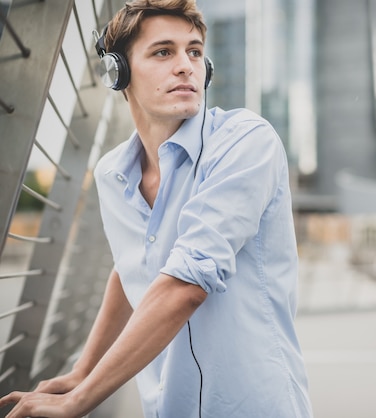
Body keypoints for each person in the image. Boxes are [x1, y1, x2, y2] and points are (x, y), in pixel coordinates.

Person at [0, 1, 313, 417]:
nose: (185, 65)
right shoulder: (113, 172)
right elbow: (133, 267)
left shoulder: (246, 141)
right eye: (163, 51)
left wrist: (81, 399)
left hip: (253, 405)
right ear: (118, 72)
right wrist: (82, 371)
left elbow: (186, 283)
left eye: (195, 51)